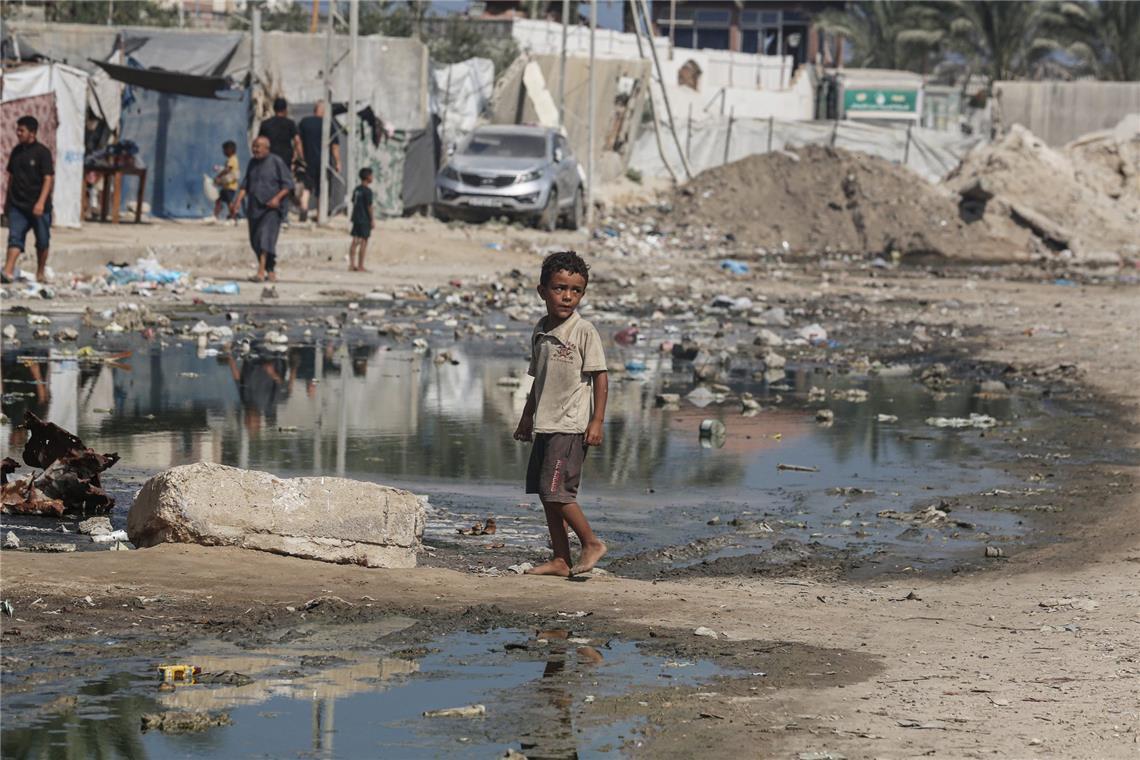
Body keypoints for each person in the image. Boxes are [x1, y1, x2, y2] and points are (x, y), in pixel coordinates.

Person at [513, 250, 609, 577]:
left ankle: (591, 542)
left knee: (558, 491)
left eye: (575, 290)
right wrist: (527, 418)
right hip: (545, 424)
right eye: (559, 288)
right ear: (542, 291)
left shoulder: (584, 331)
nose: (567, 296)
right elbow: (538, 380)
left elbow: (600, 376)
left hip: (570, 426)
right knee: (545, 493)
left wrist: (596, 420)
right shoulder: (540, 330)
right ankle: (560, 558)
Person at [231, 136, 293, 283]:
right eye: (254, 146)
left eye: (258, 146)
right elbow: (245, 185)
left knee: (266, 239)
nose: (255, 149)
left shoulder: (276, 162)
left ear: (267, 148)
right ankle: (270, 269)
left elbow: (288, 185)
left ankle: (261, 271)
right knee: (255, 241)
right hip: (254, 208)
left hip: (271, 209)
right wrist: (237, 202)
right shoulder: (252, 163)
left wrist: (277, 199)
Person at [3, 116, 54, 284]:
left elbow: (48, 179)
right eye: (17, 130)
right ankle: (7, 272)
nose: (18, 133)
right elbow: (11, 177)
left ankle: (40, 272)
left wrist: (40, 202)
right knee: (15, 237)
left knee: (42, 240)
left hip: (38, 206)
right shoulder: (17, 152)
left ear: (32, 133)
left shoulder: (42, 153)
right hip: (18, 205)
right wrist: (7, 201)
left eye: (21, 130)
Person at [297, 101, 341, 221]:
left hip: (307, 160)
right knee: (323, 188)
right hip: (324, 162)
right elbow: (335, 146)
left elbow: (297, 141)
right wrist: (338, 162)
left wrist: (300, 157)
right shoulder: (328, 124)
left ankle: (304, 208)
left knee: (307, 187)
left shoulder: (304, 122)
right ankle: (320, 214)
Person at [258, 97, 301, 169]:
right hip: (285, 158)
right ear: (285, 110)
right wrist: (299, 156)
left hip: (269, 157)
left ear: (274, 109)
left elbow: (260, 141)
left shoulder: (265, 124)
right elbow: (297, 140)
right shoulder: (290, 123)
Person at [348, 167, 374, 272]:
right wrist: (372, 219)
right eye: (371, 176)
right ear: (368, 177)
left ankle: (351, 264)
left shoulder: (357, 190)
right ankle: (360, 265)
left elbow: (353, 201)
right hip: (364, 219)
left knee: (354, 241)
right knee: (364, 241)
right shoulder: (368, 191)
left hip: (356, 217)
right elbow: (369, 206)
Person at [213, 140, 240, 221]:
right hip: (226, 186)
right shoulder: (230, 160)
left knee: (229, 202)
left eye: (224, 150)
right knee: (218, 200)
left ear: (230, 150)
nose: (223, 152)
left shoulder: (233, 159)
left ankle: (234, 216)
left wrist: (218, 176)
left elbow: (228, 170)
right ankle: (216, 216)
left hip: (230, 186)